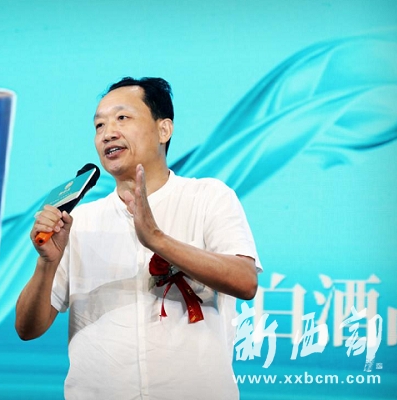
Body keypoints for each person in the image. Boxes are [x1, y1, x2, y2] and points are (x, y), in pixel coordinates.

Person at [15, 77, 262, 399]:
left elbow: (245, 282)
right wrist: (47, 263)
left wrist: (156, 239)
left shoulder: (208, 197)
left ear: (164, 130)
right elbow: (27, 329)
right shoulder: (80, 221)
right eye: (99, 125)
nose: (108, 133)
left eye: (122, 118)